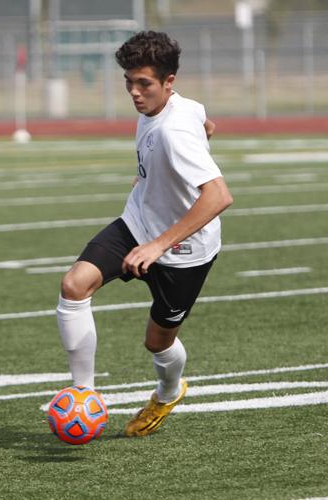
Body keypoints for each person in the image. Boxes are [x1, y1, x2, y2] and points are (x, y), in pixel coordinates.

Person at [55, 31, 233, 437]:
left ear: (169, 82)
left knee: (158, 342)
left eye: (144, 84)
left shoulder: (174, 132)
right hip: (138, 222)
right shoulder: (179, 106)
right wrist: (151, 179)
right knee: (74, 285)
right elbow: (207, 122)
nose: (135, 93)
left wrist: (156, 245)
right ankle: (85, 393)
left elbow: (219, 196)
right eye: (129, 83)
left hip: (185, 250)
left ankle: (168, 392)